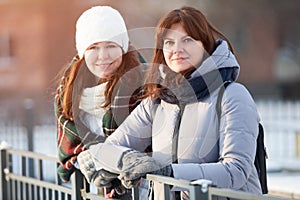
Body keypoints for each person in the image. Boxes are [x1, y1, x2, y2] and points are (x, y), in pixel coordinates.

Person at [77, 6, 262, 199]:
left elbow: (236, 170)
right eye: (169, 42)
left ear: (205, 44)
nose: (176, 50)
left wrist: (169, 173)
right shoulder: (158, 100)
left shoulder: (232, 96)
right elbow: (110, 147)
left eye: (187, 40)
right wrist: (126, 160)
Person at [54, 6, 147, 198]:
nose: (103, 56)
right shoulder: (68, 92)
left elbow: (151, 148)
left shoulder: (144, 85)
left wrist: (101, 159)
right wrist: (85, 159)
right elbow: (70, 150)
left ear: (123, 47)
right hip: (92, 192)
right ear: (82, 52)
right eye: (93, 47)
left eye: (111, 46)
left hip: (141, 191)